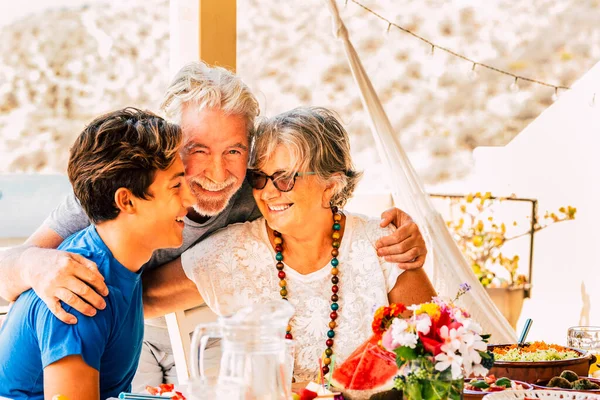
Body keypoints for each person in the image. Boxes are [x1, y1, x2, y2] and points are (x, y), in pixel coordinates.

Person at [0, 62, 428, 389]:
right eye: (197, 150)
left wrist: (400, 234)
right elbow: (8, 272)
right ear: (169, 144)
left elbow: (314, 200)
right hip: (117, 326)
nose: (217, 172)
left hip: (205, 324)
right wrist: (37, 266)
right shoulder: (114, 192)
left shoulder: (258, 189)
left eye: (234, 151)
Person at [182, 107, 437, 381]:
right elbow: (142, 295)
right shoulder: (231, 251)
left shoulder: (384, 245)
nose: (268, 192)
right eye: (259, 177)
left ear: (331, 184)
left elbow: (437, 356)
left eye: (285, 178)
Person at [0, 108, 194, 399]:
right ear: (126, 201)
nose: (190, 199)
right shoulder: (82, 293)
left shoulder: (119, 262)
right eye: (176, 186)